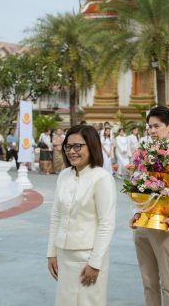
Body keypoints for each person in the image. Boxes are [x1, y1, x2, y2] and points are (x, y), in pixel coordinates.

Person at [129, 106, 169, 306]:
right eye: (150, 126)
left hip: (166, 228)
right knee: (148, 282)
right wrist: (135, 214)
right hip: (142, 226)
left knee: (168, 283)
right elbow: (138, 189)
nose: (152, 131)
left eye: (157, 126)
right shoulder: (144, 155)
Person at [47, 124, 117, 306]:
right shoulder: (63, 175)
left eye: (78, 146)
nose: (72, 151)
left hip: (88, 256)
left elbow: (106, 224)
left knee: (88, 302)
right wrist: (51, 253)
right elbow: (56, 216)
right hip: (64, 254)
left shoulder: (101, 178)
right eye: (68, 147)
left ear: (92, 146)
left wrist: (95, 263)